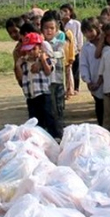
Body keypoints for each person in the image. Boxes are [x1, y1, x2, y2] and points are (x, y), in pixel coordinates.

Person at [17, 27, 59, 139]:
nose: (30, 52)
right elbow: (21, 78)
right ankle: (38, 138)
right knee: (35, 120)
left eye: (33, 49)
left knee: (49, 116)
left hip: (43, 94)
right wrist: (18, 66)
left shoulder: (44, 58)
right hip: (30, 96)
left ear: (39, 47)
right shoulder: (24, 62)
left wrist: (43, 59)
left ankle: (55, 137)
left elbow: (49, 71)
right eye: (28, 50)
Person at [39, 10, 67, 140]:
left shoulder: (59, 42)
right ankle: (50, 136)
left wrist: (44, 56)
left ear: (57, 30)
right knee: (49, 110)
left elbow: (58, 54)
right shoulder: (39, 44)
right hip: (45, 83)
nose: (49, 31)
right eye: (46, 28)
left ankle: (59, 135)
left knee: (59, 109)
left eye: (52, 28)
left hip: (58, 80)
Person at [79, 16, 105, 126]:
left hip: (108, 81)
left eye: (90, 31)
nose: (89, 34)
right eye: (85, 32)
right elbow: (83, 65)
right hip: (94, 83)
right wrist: (88, 81)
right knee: (99, 107)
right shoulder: (86, 48)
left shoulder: (106, 43)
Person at [60, 3, 83, 96]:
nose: (64, 13)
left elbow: (79, 36)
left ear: (71, 12)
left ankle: (76, 88)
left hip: (74, 49)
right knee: (67, 70)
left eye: (66, 11)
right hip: (64, 50)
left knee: (75, 69)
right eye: (62, 11)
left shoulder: (75, 23)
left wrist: (79, 48)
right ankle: (68, 88)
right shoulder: (59, 23)